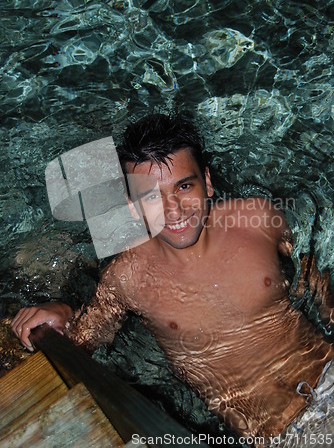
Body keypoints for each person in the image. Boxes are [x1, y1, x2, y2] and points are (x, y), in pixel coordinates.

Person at [11, 113, 334, 445]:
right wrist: (63, 313)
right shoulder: (128, 277)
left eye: (184, 186)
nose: (174, 211)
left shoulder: (258, 219)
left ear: (207, 181)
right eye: (151, 196)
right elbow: (82, 344)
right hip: (273, 435)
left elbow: (316, 286)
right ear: (132, 207)